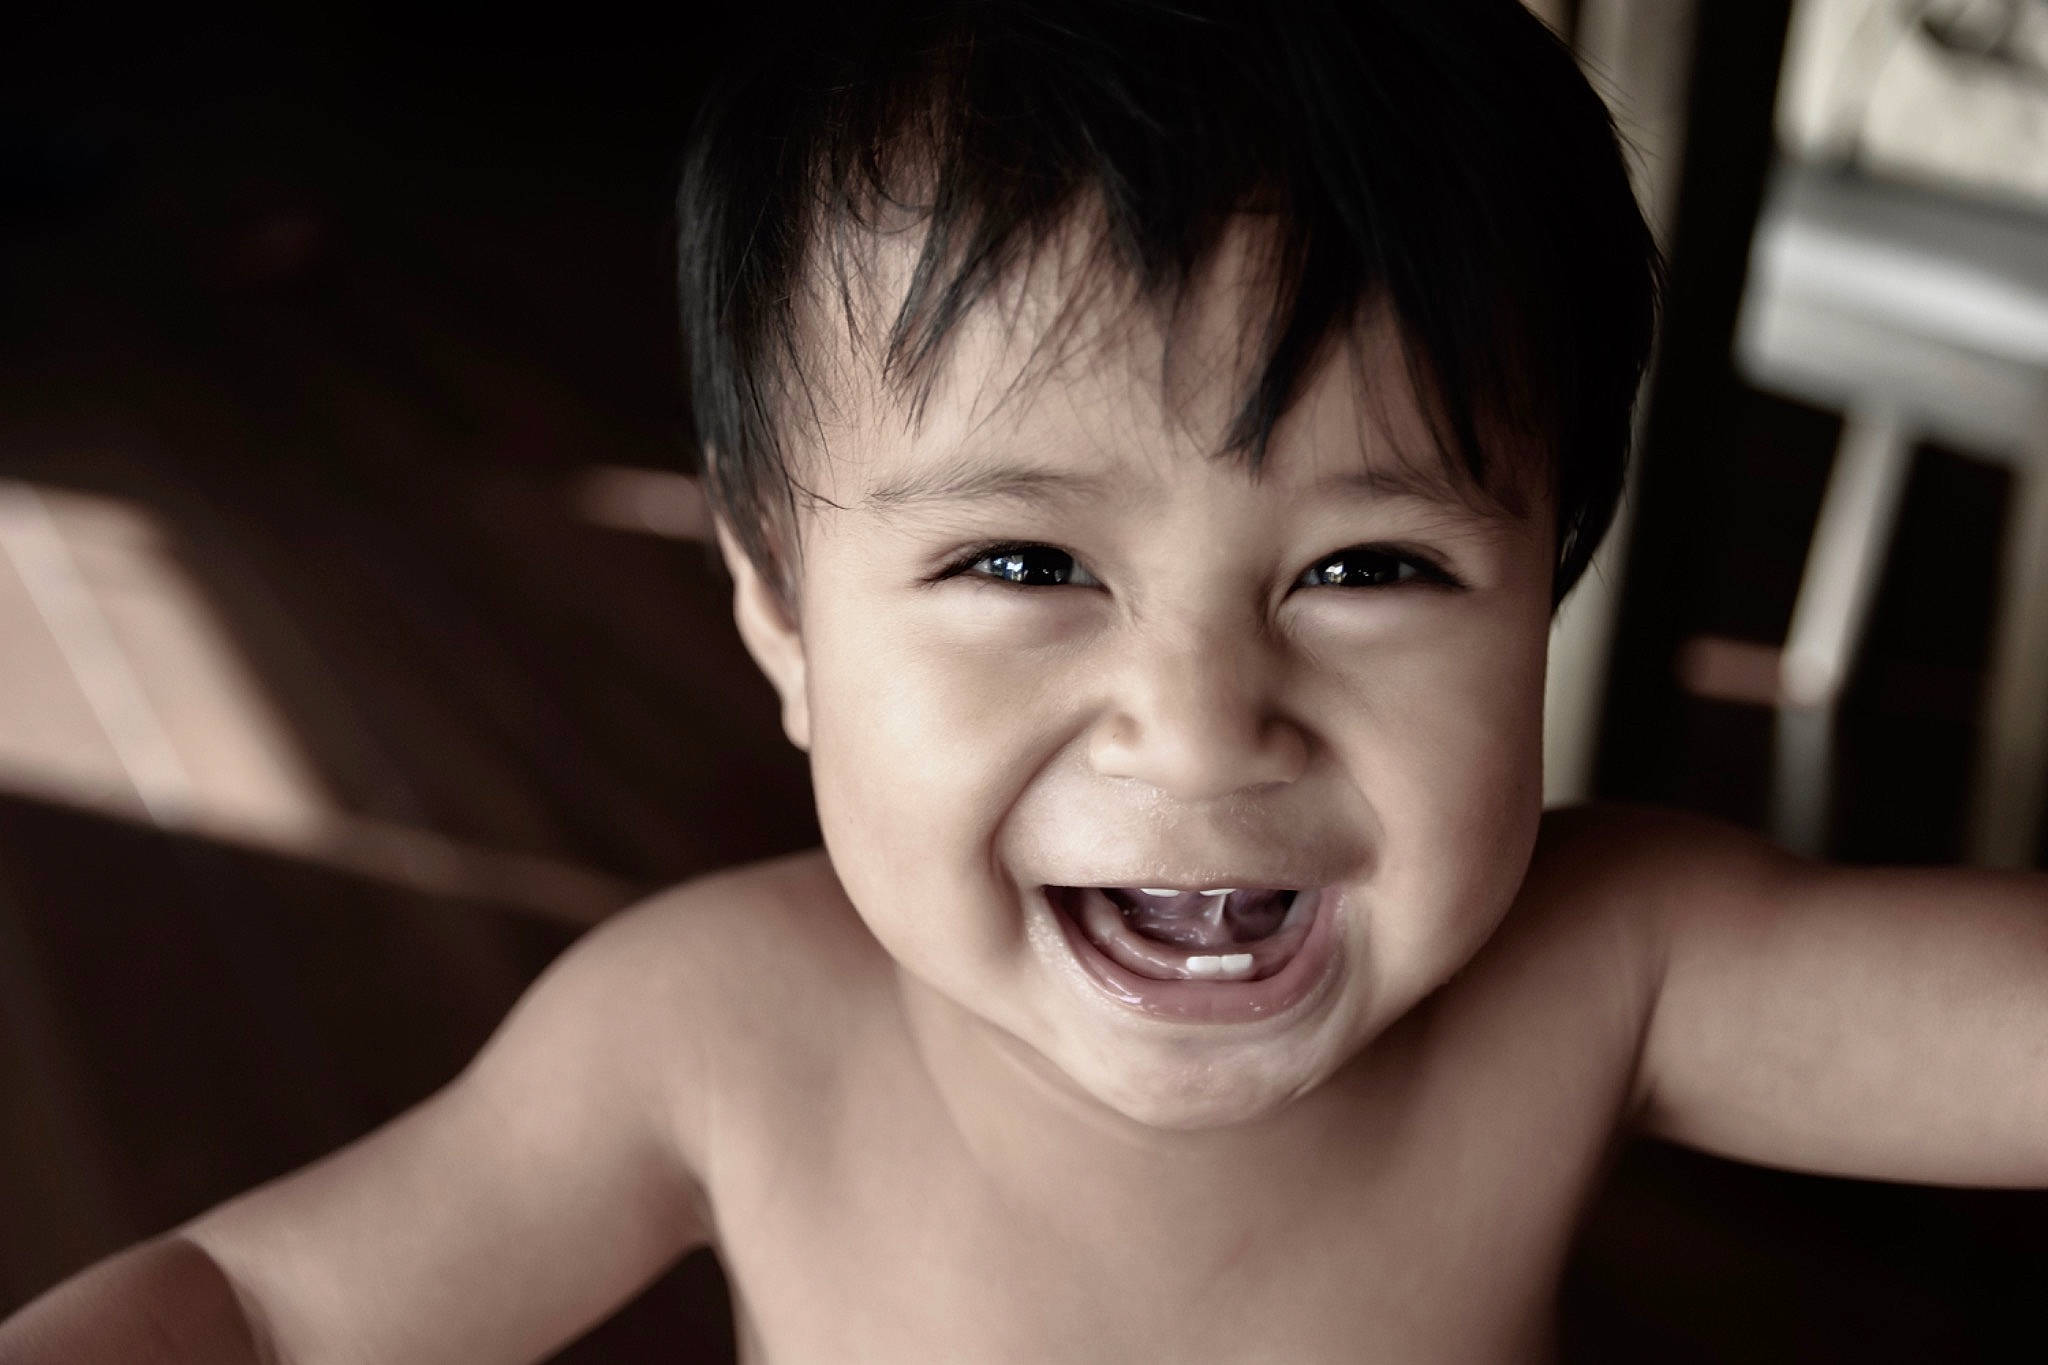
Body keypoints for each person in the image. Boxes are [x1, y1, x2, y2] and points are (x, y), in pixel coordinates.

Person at [5, 2, 2045, 1361]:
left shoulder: (1603, 966)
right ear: (782, 612)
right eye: (1023, 561)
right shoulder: (716, 1034)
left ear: (1550, 597)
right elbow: (263, 1312)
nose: (1201, 719)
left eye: (1370, 566)